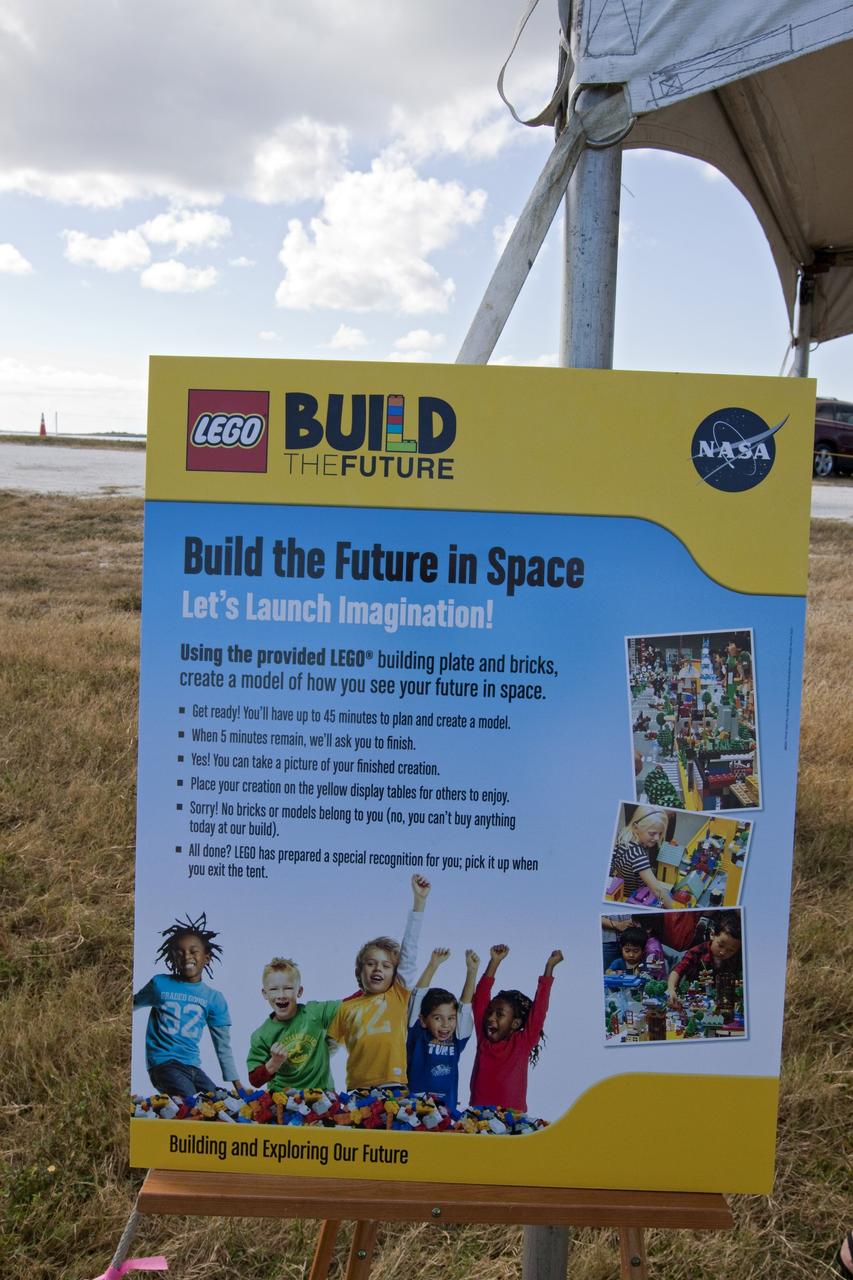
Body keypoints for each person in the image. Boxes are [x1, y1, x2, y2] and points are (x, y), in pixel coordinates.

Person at [326, 873, 430, 1091]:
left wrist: (419, 903)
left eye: (385, 966)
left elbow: (409, 952)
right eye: (371, 964)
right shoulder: (344, 1008)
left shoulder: (398, 996)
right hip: (358, 1089)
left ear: (395, 973)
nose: (378, 969)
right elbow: (325, 1052)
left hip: (394, 1086)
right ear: (359, 970)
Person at [133, 912, 243, 1098]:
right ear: (173, 957)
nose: (186, 956)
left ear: (206, 957)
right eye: (180, 952)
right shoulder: (159, 984)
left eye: (193, 951)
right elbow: (131, 1005)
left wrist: (238, 1085)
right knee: (191, 1102)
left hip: (192, 1066)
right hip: (163, 1064)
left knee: (217, 1101)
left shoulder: (214, 998)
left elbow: (222, 1046)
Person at [469, 944, 562, 1112]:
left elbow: (539, 1010)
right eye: (490, 1013)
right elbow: (480, 998)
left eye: (499, 1014)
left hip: (513, 1117)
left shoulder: (522, 1042)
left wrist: (549, 967)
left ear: (515, 1024)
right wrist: (494, 961)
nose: (490, 1018)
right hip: (478, 1115)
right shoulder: (484, 1038)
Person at [245, 958, 340, 1093]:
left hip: (322, 1095)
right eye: (273, 989)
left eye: (288, 988)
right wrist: (275, 1062)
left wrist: (374, 986)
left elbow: (349, 1005)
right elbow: (255, 1080)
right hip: (283, 1100)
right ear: (265, 993)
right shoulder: (261, 1035)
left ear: (299, 991)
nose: (281, 995)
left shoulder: (314, 1013)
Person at [406, 946, 478, 1112]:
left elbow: (465, 1007)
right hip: (414, 1108)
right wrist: (433, 964)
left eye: (451, 1018)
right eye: (438, 1018)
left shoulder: (457, 1040)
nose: (446, 1024)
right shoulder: (418, 1033)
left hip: (446, 1110)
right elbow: (417, 997)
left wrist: (472, 971)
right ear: (423, 1020)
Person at [667, 911, 742, 1008]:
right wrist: (671, 989)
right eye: (720, 945)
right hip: (694, 997)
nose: (723, 952)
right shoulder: (697, 952)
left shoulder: (737, 959)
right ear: (712, 934)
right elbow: (677, 971)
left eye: (730, 950)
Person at [610, 806, 677, 909]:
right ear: (636, 827)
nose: (657, 838)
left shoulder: (624, 834)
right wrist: (676, 909)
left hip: (624, 883)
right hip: (632, 895)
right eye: (652, 833)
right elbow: (657, 890)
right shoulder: (638, 856)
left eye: (660, 833)